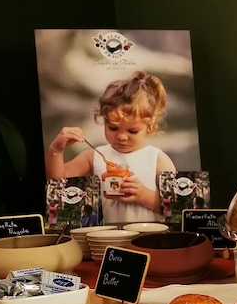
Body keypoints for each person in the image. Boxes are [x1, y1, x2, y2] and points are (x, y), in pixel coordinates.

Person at [44, 71, 176, 224]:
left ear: (150, 126)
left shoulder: (157, 159)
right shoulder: (94, 156)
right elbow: (56, 184)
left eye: (132, 131)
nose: (121, 136)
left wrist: (144, 195)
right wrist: (56, 149)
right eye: (113, 128)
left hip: (149, 237)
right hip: (105, 236)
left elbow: (177, 208)